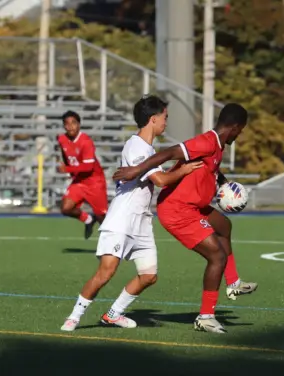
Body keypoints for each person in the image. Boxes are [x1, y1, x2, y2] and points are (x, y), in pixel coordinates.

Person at [112, 103, 258, 334]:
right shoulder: (207, 142)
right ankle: (206, 317)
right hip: (178, 210)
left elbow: (212, 168)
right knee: (217, 256)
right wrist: (135, 170)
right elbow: (169, 153)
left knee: (224, 226)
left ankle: (233, 283)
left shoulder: (218, 146)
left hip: (194, 207)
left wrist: (224, 184)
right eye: (241, 130)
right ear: (235, 127)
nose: (240, 135)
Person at [60, 96, 203, 332]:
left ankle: (113, 314)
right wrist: (185, 169)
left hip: (142, 221)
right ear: (153, 119)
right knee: (106, 272)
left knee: (149, 275)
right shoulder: (137, 146)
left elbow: (158, 176)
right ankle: (74, 317)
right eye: (165, 118)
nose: (166, 123)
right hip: (122, 218)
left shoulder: (148, 148)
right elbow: (160, 180)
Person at [56, 111, 108, 239]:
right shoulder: (62, 139)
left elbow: (89, 167)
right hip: (79, 181)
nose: (70, 126)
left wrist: (67, 168)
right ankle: (88, 220)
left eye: (74, 123)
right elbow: (65, 153)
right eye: (67, 124)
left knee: (102, 218)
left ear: (79, 124)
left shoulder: (86, 142)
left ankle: (114, 244)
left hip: (94, 182)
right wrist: (70, 171)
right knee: (65, 208)